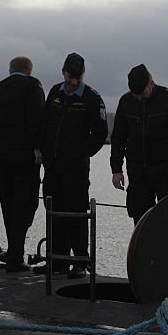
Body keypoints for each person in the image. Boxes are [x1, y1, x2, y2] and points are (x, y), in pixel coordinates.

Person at [37, 53, 108, 277]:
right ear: (63, 72)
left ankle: (80, 262)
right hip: (53, 167)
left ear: (82, 75)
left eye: (77, 78)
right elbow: (45, 124)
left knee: (76, 214)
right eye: (70, 77)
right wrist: (45, 152)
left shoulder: (91, 98)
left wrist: (79, 154)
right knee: (54, 213)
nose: (73, 82)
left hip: (76, 169)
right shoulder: (55, 93)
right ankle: (56, 261)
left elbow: (100, 133)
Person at [0, 56, 45, 272]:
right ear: (29, 71)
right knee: (27, 204)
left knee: (8, 203)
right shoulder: (33, 86)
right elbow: (37, 118)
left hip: (1, 156)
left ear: (10, 70)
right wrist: (37, 146)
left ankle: (14, 251)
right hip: (25, 155)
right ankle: (15, 254)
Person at [110, 64, 168, 223]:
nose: (139, 98)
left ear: (151, 83)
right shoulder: (126, 102)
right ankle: (143, 248)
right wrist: (116, 169)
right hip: (137, 172)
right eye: (136, 94)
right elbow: (118, 138)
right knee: (140, 220)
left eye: (142, 93)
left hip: (166, 172)